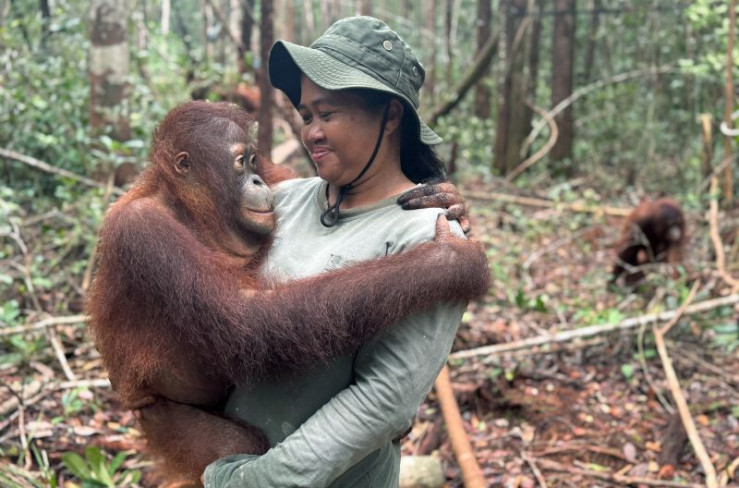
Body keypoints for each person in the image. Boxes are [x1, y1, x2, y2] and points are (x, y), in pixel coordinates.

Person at [204, 16, 485, 487]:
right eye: (307, 116)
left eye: (328, 114)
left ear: (390, 117)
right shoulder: (282, 201)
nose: (312, 132)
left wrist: (255, 481)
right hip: (225, 460)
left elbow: (384, 401)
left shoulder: (432, 240)